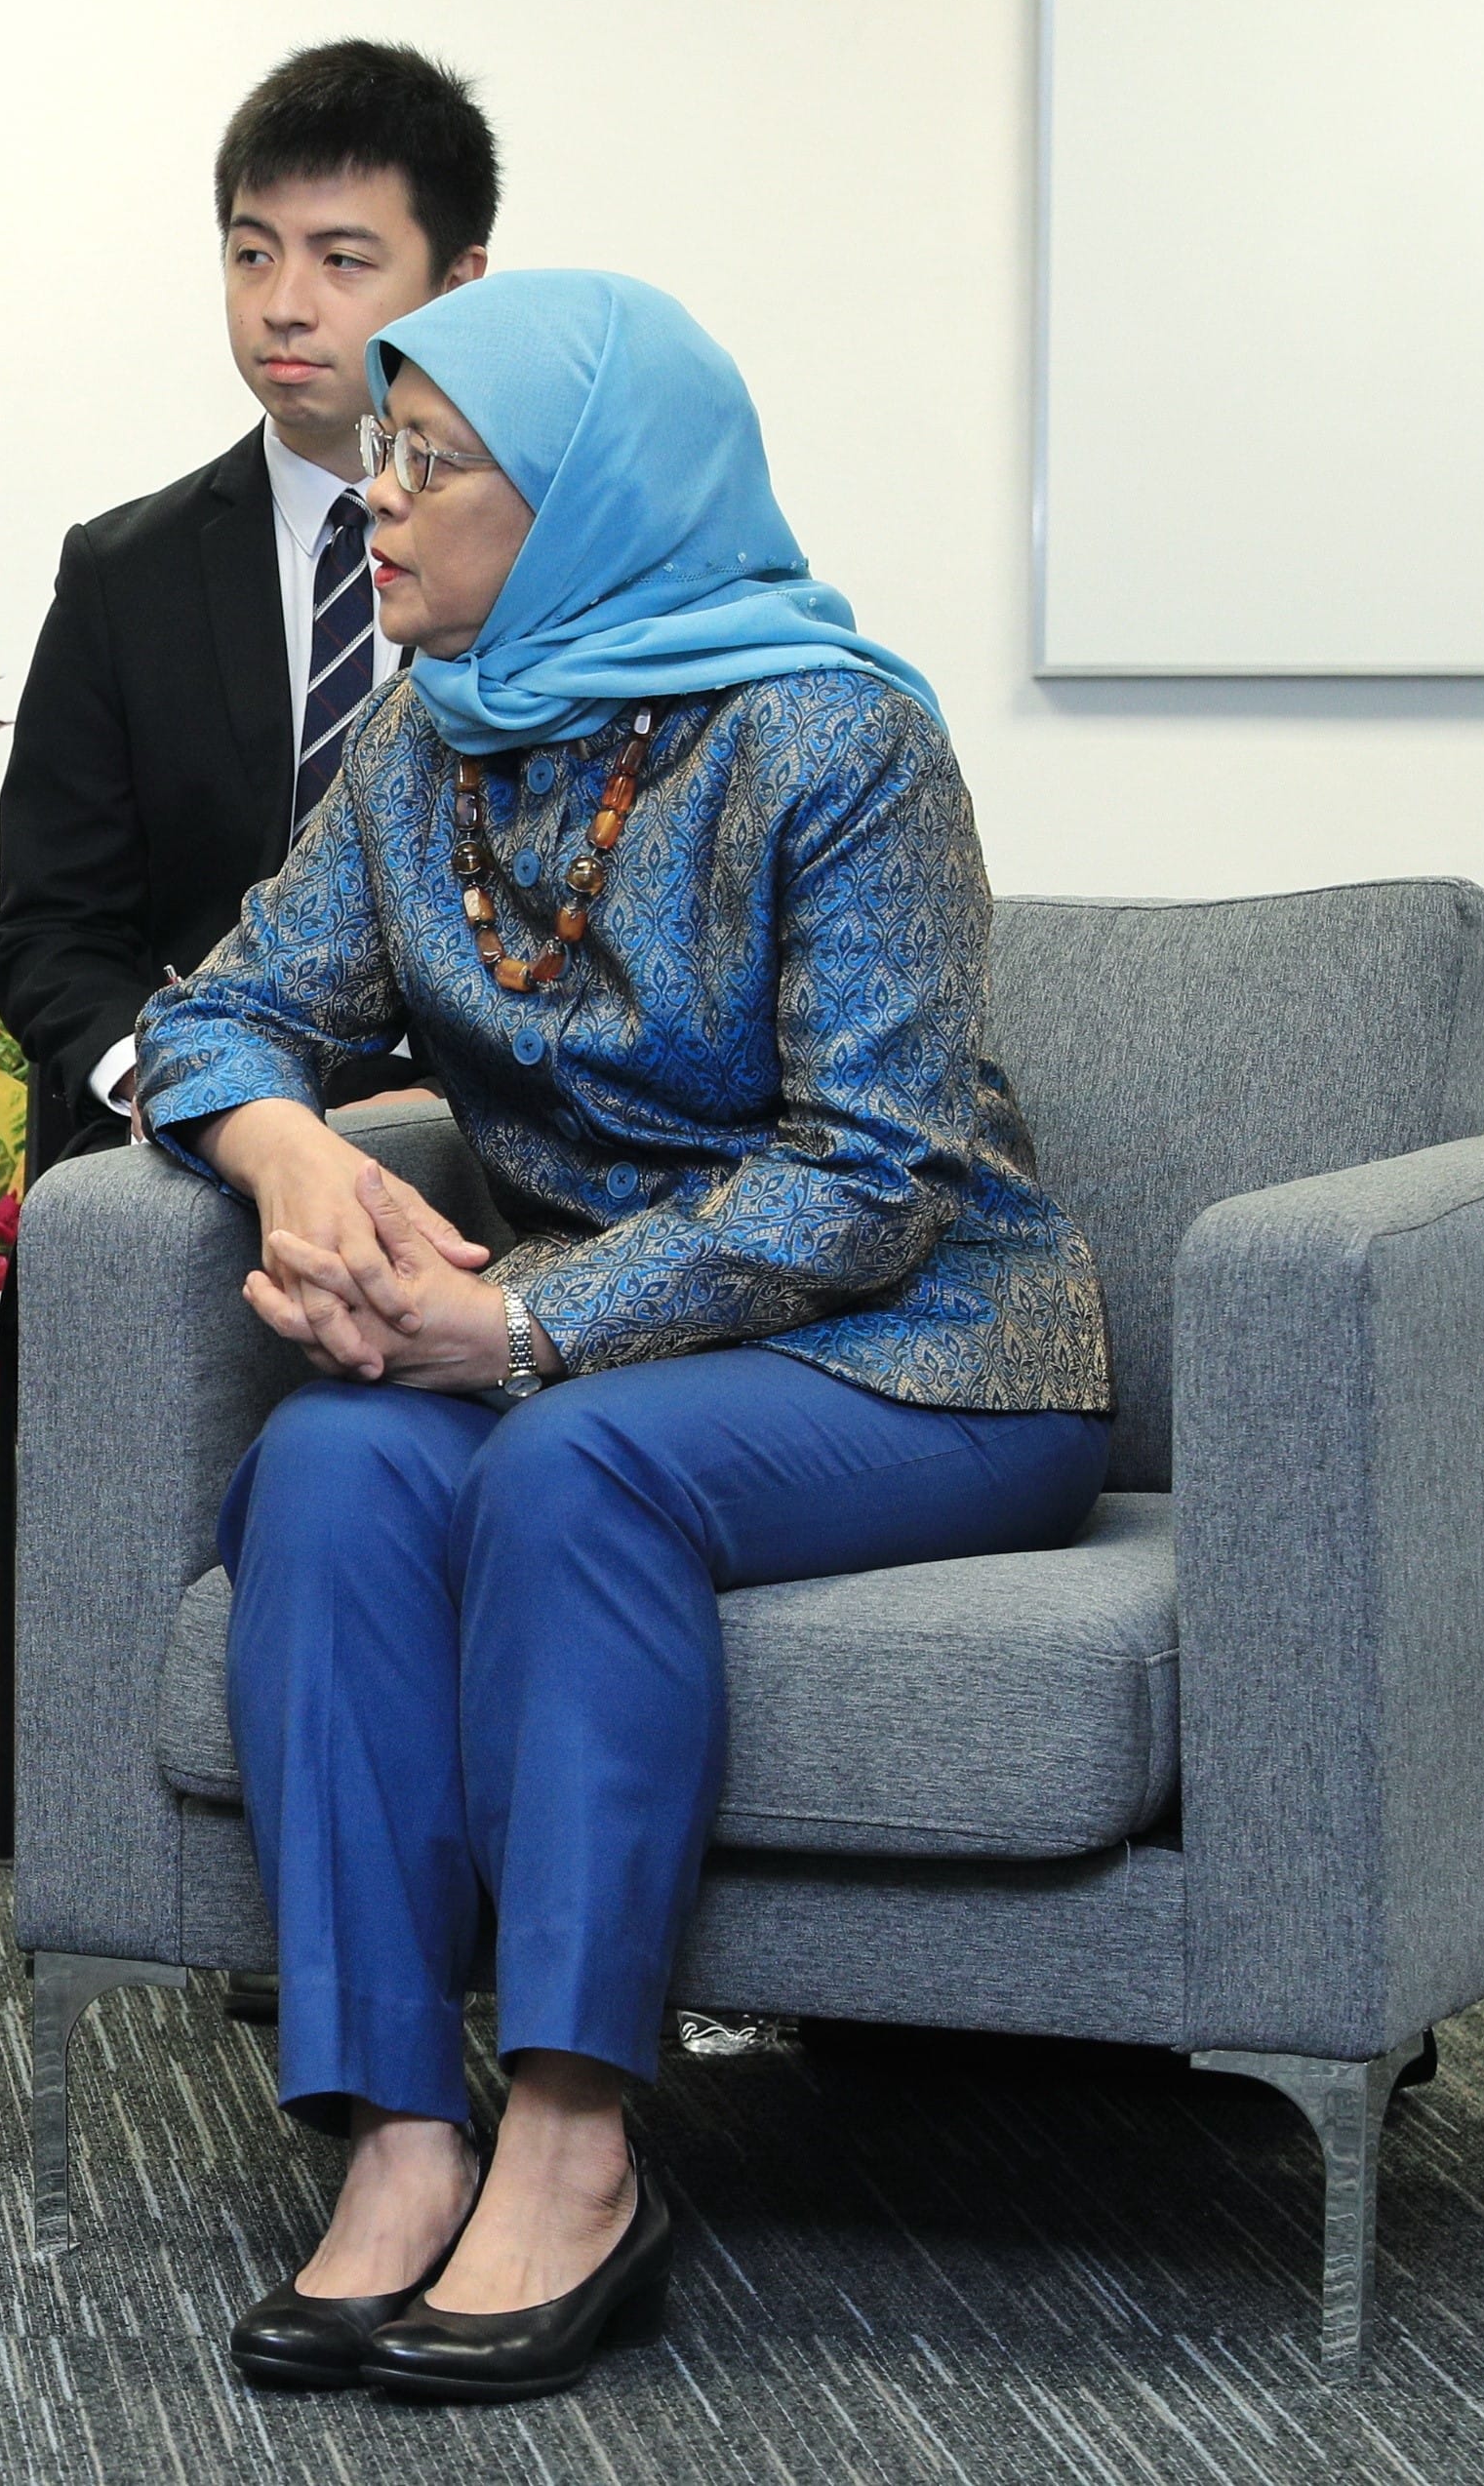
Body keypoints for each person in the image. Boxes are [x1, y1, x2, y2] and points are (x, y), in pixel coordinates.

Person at [132, 271, 1111, 2403]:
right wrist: (292, 1155)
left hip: (921, 1350)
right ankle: (397, 2131)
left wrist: (517, 1320)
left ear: (580, 498)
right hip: (576, 1346)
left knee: (572, 1460)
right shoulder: (429, 739)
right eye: (370, 454)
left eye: (424, 462)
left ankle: (577, 2145)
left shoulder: (834, 736)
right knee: (322, 1454)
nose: (369, 499)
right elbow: (213, 1006)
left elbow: (873, 1176)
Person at [0, 39, 499, 1173]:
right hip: (173, 1154)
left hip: (474, 1157)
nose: (283, 305)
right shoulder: (125, 571)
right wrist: (189, 1095)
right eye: (252, 254)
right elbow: (53, 931)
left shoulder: (532, 562)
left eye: (341, 260)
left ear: (459, 287)